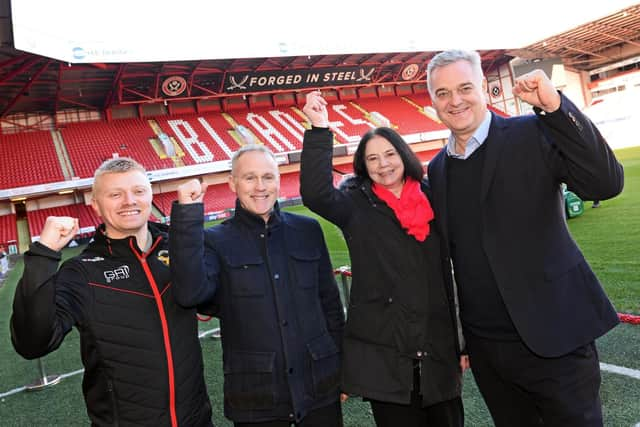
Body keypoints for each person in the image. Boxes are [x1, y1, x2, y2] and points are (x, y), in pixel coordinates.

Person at [425, 49, 624, 427]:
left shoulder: (532, 131)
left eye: (465, 87)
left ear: (483, 88)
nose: (455, 101)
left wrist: (554, 107)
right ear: (432, 100)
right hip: (489, 351)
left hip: (557, 337)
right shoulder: (437, 170)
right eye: (443, 93)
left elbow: (606, 182)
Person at [300, 91, 465, 427]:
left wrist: (462, 341)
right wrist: (319, 128)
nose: (383, 164)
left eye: (389, 154)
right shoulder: (354, 204)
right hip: (384, 352)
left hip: (437, 348)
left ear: (403, 155)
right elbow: (316, 193)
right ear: (364, 165)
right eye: (372, 159)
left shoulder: (434, 195)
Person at [10, 157, 213, 427]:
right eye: (115, 194)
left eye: (138, 191)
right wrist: (44, 255)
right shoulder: (81, 272)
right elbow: (32, 343)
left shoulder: (178, 248)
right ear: (95, 204)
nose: (129, 201)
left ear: (150, 194)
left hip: (197, 419)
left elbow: (214, 297)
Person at [169, 144, 345, 427]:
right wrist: (188, 217)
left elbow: (331, 307)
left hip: (319, 393)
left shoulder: (308, 230)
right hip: (257, 400)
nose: (260, 187)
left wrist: (342, 370)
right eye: (249, 177)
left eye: (268, 177)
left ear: (278, 180)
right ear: (232, 183)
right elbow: (190, 294)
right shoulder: (214, 241)